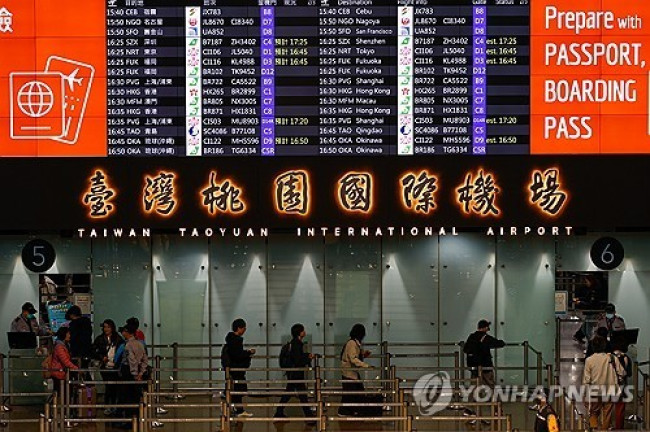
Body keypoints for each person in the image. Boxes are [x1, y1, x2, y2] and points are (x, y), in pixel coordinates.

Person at [274, 323, 317, 425]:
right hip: (296, 373)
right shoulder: (297, 344)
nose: (304, 332)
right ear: (299, 333)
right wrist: (308, 358)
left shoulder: (294, 343)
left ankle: (279, 412)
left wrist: (306, 355)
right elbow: (298, 360)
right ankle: (309, 417)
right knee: (302, 395)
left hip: (293, 373)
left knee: (290, 393)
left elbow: (297, 357)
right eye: (303, 330)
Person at [583, 336, 625, 430]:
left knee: (593, 412)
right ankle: (604, 430)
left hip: (595, 391)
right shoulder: (611, 358)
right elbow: (622, 372)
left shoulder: (589, 360)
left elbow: (586, 380)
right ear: (604, 345)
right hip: (610, 390)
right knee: (607, 414)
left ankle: (594, 428)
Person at [117, 323, 149, 426]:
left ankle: (130, 421)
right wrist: (141, 373)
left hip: (128, 372)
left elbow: (132, 361)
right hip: (138, 370)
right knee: (136, 396)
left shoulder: (128, 345)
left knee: (127, 396)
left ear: (127, 332)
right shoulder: (140, 344)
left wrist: (134, 374)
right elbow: (145, 359)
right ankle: (137, 419)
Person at [338, 323, 372, 417]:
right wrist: (365, 365)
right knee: (352, 393)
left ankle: (349, 410)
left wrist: (363, 355)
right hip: (349, 372)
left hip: (350, 372)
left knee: (351, 393)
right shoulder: (352, 343)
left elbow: (354, 357)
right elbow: (353, 358)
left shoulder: (353, 342)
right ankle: (347, 411)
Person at [92, 319, 124, 416]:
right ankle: (108, 405)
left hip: (115, 366)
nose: (106, 329)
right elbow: (93, 350)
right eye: (105, 327)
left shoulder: (118, 338)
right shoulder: (100, 339)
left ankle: (114, 406)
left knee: (115, 387)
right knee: (109, 386)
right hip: (105, 366)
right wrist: (101, 357)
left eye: (108, 327)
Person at [225, 318, 255, 418]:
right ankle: (239, 410)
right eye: (244, 328)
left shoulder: (230, 339)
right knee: (238, 390)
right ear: (239, 328)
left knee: (234, 390)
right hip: (237, 369)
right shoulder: (237, 340)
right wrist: (248, 352)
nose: (244, 330)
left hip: (231, 368)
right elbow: (238, 355)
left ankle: (236, 409)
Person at [464, 320, 505, 388]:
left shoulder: (472, 337)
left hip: (474, 366)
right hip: (485, 366)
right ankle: (490, 395)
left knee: (474, 386)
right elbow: (500, 343)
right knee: (490, 385)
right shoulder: (485, 337)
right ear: (486, 328)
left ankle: (475, 395)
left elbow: (465, 349)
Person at [50, 327, 79, 394]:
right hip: (59, 374)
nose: (69, 335)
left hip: (61, 373)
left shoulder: (64, 345)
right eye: (68, 334)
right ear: (64, 334)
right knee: (62, 394)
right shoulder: (59, 347)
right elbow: (65, 361)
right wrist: (76, 368)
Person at [66, 306, 93, 373]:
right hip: (87, 350)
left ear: (72, 314)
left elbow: (73, 337)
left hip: (76, 350)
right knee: (85, 370)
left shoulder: (73, 325)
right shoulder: (87, 322)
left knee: (76, 371)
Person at [611, 338, 632, 429]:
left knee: (607, 408)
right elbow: (629, 373)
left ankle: (606, 426)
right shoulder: (626, 358)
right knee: (620, 408)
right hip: (621, 385)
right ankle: (619, 427)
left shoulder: (609, 357)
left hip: (609, 384)